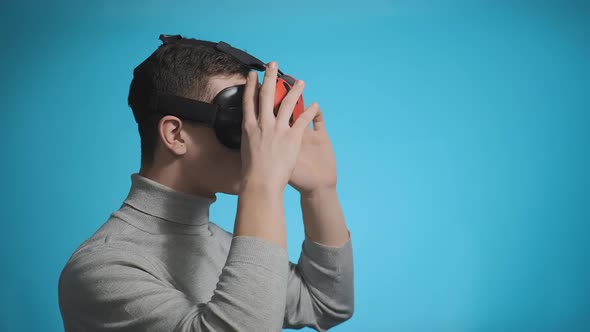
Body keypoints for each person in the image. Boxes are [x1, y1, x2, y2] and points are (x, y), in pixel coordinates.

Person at [58, 36, 354, 331]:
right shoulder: (104, 268)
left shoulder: (222, 245)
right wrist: (263, 184)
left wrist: (321, 192)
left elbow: (324, 304)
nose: (258, 135)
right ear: (175, 135)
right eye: (243, 119)